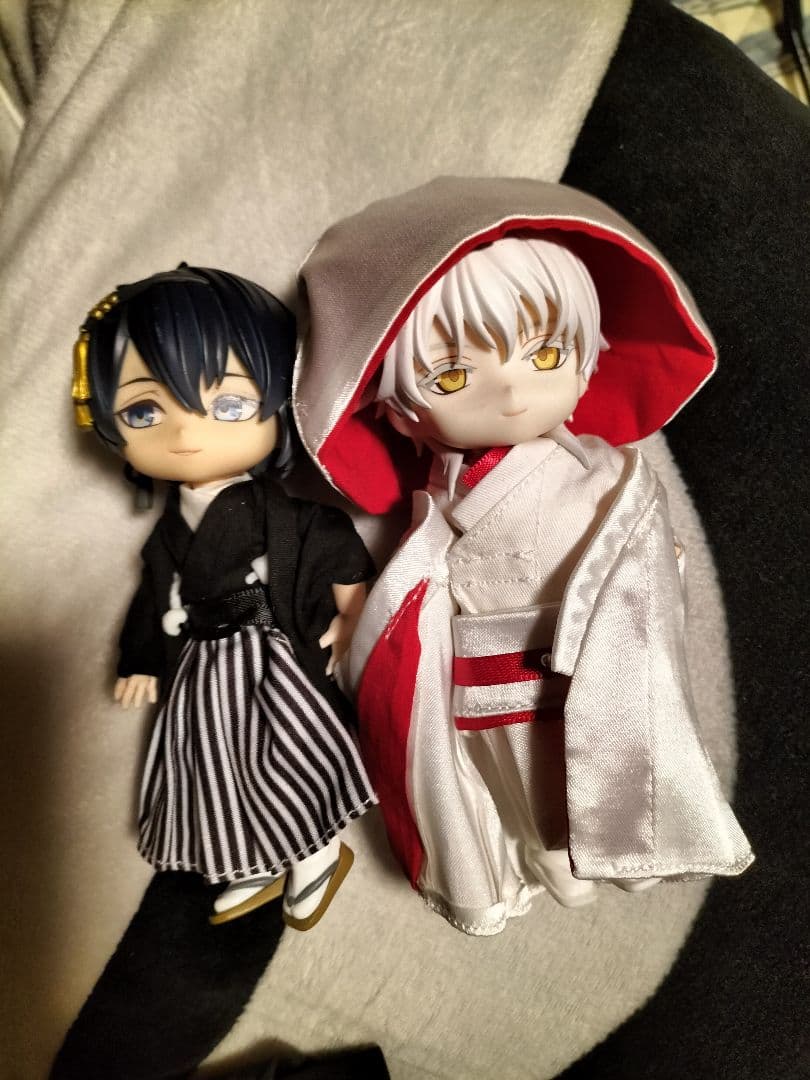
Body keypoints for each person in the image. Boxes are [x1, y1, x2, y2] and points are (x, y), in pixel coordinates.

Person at [295, 177, 753, 935]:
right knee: (521, 796)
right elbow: (418, 581)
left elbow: (638, 547)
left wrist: (646, 567)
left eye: (545, 354)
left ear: (587, 355)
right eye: (451, 376)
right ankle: (539, 858)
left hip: (585, 673)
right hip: (481, 682)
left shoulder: (599, 473)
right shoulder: (441, 493)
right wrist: (372, 620)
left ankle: (606, 854)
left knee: (591, 781)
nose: (509, 392)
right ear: (399, 412)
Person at [72, 265, 376, 930]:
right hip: (201, 667)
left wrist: (354, 608)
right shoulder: (168, 531)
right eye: (144, 411)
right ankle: (251, 857)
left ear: (280, 404)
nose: (186, 433)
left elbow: (330, 540)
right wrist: (140, 659)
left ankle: (317, 852)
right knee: (211, 765)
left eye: (230, 405)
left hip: (269, 657)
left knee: (288, 757)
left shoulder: (275, 512)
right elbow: (154, 594)